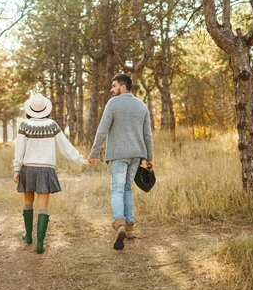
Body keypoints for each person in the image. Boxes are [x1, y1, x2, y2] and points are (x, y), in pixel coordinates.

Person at [13, 92, 88, 254]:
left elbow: (19, 150)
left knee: (27, 203)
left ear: (30, 109)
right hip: (46, 169)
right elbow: (65, 146)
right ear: (46, 109)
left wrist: (16, 169)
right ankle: (40, 244)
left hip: (28, 168)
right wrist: (81, 159)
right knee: (43, 207)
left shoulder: (24, 126)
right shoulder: (52, 125)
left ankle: (28, 236)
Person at [88, 73, 154, 250]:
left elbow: (102, 130)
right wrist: (150, 157)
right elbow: (147, 134)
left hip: (119, 154)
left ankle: (119, 225)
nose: (112, 89)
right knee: (127, 188)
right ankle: (130, 226)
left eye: (114, 86)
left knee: (117, 189)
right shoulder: (141, 106)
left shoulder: (113, 104)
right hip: (137, 154)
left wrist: (94, 153)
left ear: (123, 87)